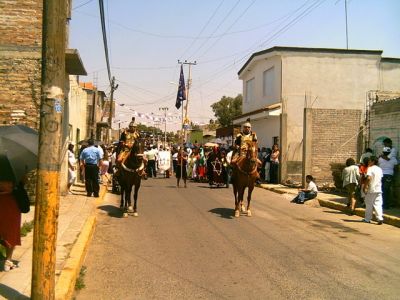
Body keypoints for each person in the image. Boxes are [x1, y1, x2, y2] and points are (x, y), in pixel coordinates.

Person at [0, 156, 21, 272]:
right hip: (11, 205)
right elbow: (21, 186)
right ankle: (8, 261)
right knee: (11, 232)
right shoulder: (14, 168)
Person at [362, 156, 383, 224]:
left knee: (369, 204)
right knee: (378, 204)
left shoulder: (370, 168)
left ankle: (367, 219)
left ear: (373, 162)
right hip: (378, 189)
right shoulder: (380, 169)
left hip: (371, 189)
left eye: (370, 161)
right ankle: (380, 218)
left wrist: (365, 186)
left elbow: (368, 178)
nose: (368, 162)